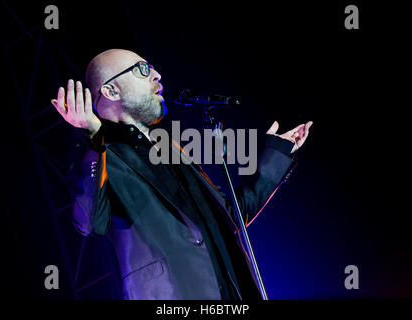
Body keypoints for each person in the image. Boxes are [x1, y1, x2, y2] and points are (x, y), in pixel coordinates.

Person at [51, 49, 312, 300]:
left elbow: (231, 215)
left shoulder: (169, 148)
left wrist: (276, 154)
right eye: (143, 70)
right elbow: (90, 222)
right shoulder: (97, 154)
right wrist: (94, 137)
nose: (156, 75)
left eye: (152, 68)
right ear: (110, 90)